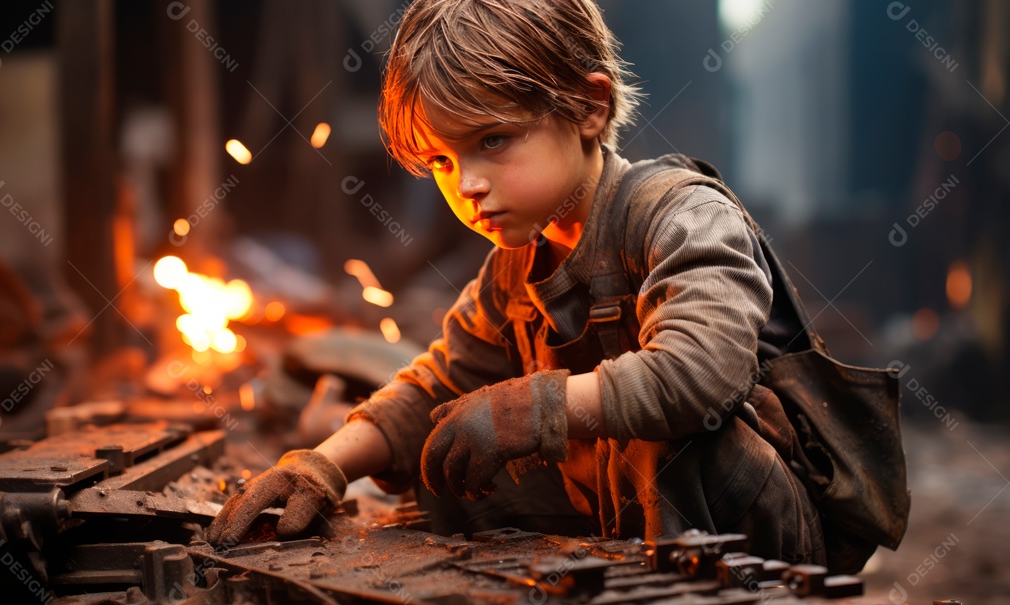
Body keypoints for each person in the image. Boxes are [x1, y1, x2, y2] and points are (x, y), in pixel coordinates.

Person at [209, 0, 908, 572]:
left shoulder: (679, 214)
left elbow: (703, 373)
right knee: (445, 459)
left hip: (766, 527)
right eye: (442, 161)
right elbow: (433, 386)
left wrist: (528, 409)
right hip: (630, 517)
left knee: (667, 436)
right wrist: (324, 464)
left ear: (589, 107)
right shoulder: (515, 265)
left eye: (493, 141)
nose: (468, 184)